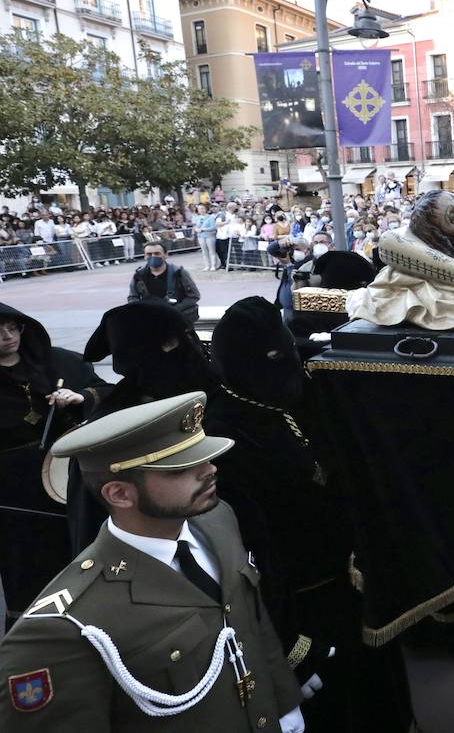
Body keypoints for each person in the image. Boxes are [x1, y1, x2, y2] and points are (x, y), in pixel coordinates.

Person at [0, 392, 304, 731]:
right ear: (120, 494)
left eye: (205, 457)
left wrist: (284, 701)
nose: (210, 470)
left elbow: (247, 621)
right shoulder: (64, 628)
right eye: (182, 469)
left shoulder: (217, 520)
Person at [206, 298, 412, 731]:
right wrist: (281, 640)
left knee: (381, 691)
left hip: (354, 574)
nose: (282, 369)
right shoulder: (218, 431)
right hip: (294, 596)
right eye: (267, 362)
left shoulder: (315, 390)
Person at [0, 305, 109, 620]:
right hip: (13, 492)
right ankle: (38, 630)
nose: (8, 336)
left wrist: (81, 399)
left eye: (13, 327)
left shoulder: (57, 360)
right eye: (0, 330)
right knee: (26, 563)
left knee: (78, 547)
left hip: (68, 483)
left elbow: (106, 391)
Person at [126, 241, 201, 326]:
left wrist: (174, 309)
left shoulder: (179, 273)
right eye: (149, 254)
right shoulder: (139, 275)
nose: (153, 256)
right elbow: (132, 297)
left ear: (166, 255)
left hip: (177, 318)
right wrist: (142, 310)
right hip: (150, 319)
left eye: (157, 253)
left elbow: (194, 296)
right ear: (145, 256)